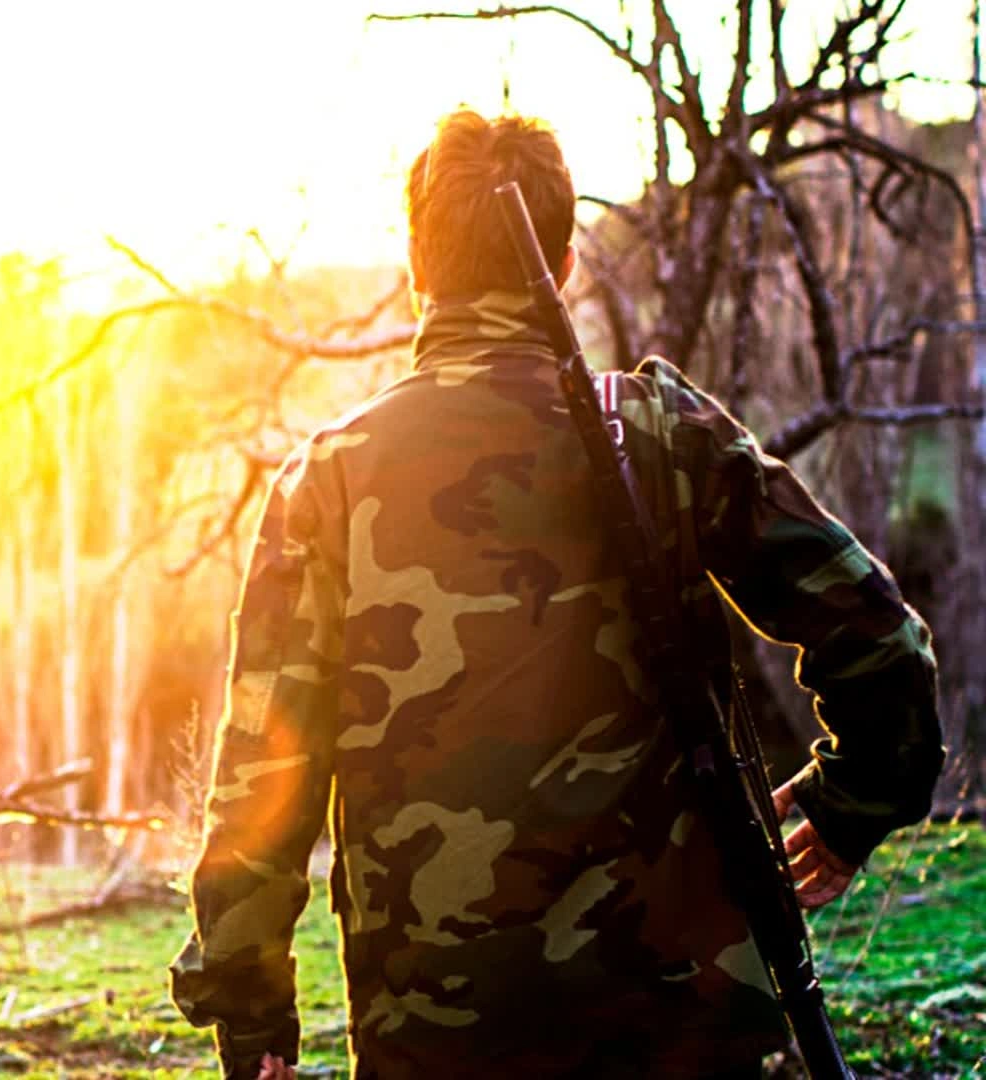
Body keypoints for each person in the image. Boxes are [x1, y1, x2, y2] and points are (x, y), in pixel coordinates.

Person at [168, 110, 945, 1079]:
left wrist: (252, 1026)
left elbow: (258, 794)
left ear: (419, 265)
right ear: (567, 262)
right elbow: (885, 650)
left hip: (443, 1037)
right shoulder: (663, 432)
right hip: (691, 1035)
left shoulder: (326, 484)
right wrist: (850, 808)